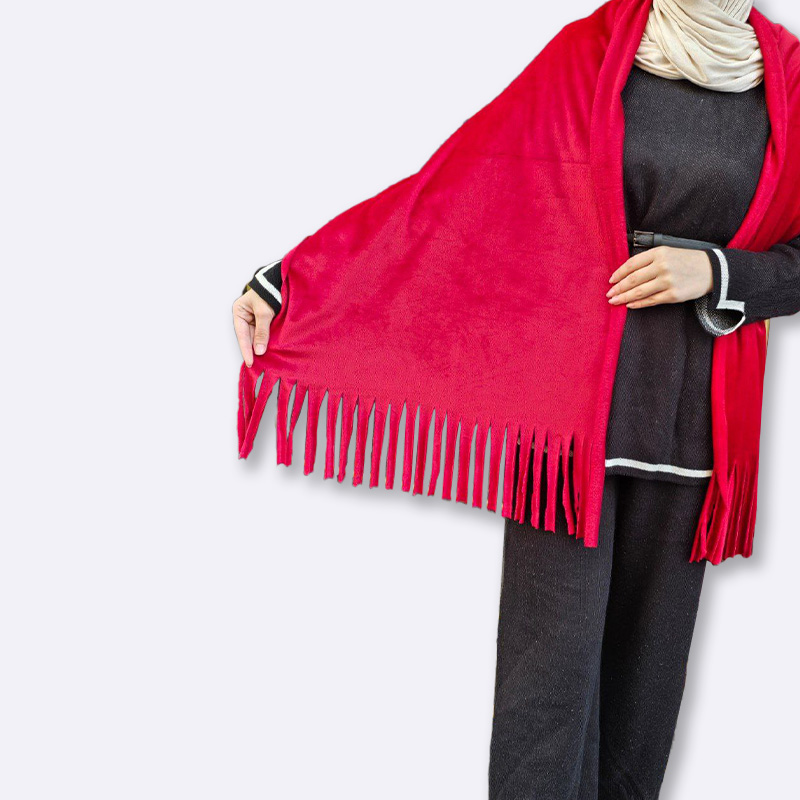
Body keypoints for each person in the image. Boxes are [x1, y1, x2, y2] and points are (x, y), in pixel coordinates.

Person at [232, 0, 800, 796]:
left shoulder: (787, 81)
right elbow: (459, 187)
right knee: (547, 697)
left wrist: (719, 272)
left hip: (692, 435)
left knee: (643, 711)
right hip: (564, 432)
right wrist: (292, 281)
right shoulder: (592, 52)